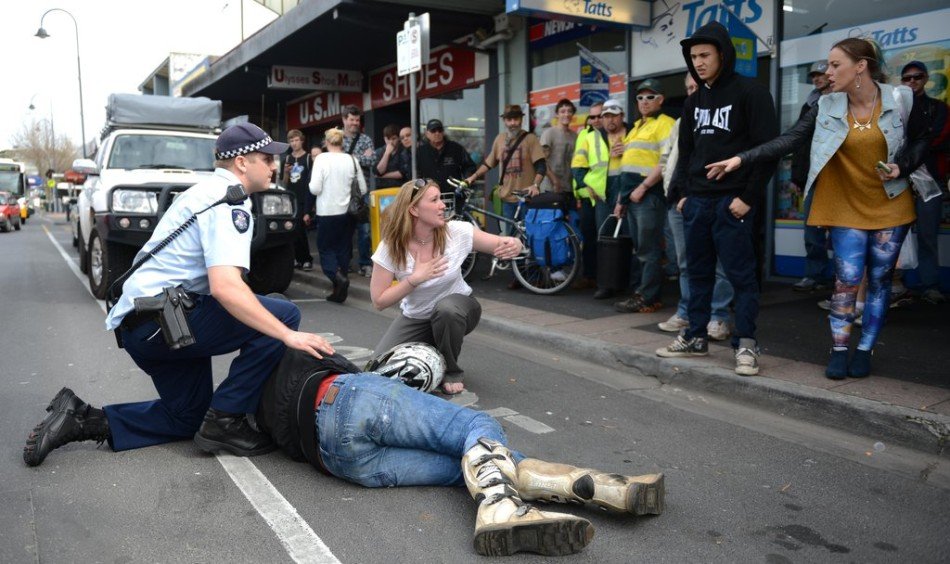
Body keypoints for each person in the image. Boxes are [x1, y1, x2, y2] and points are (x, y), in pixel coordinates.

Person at [23, 123, 337, 466]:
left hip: (147, 326)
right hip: (166, 322)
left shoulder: (199, 192)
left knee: (188, 418)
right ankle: (226, 420)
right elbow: (226, 287)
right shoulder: (229, 202)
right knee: (283, 315)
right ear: (243, 163)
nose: (276, 166)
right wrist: (287, 336)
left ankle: (81, 419)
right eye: (267, 158)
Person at [255, 343, 665, 557]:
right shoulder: (292, 347)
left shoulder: (257, 406)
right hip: (345, 396)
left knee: (467, 463)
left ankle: (605, 488)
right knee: (475, 426)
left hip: (337, 461)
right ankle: (507, 509)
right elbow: (363, 371)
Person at [705, 38, 934, 379]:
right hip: (844, 205)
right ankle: (840, 349)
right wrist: (742, 158)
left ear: (860, 66)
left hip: (890, 203)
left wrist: (902, 164)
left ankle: (865, 349)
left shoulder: (899, 98)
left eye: (834, 65)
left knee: (881, 280)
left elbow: (921, 138)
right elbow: (790, 139)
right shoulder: (826, 106)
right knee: (846, 281)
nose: (827, 72)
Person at [655, 21, 779, 377]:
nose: (699, 62)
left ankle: (746, 344)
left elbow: (766, 151)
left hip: (733, 202)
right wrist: (682, 195)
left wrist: (748, 197)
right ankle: (695, 337)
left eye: (705, 55)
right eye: (693, 57)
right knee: (696, 274)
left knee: (741, 276)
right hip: (698, 203)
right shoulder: (694, 103)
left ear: (723, 54)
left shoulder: (751, 94)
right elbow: (688, 154)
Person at [370, 179, 523, 395]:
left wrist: (515, 244)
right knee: (377, 371)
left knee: (447, 310)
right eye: (434, 200)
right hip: (417, 318)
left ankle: (451, 370)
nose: (443, 205)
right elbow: (379, 301)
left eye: (441, 198)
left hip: (459, 310)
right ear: (414, 209)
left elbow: (500, 243)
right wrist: (414, 279)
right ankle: (433, 345)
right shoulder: (391, 246)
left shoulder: (456, 231)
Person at [659, 73, 734, 341]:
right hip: (676, 200)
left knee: (719, 263)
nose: (692, 91)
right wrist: (672, 191)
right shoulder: (680, 122)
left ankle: (718, 317)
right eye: (688, 88)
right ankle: (687, 312)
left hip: (706, 199)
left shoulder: (720, 117)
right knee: (686, 263)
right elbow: (667, 159)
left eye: (696, 86)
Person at [612, 79, 677, 314]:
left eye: (650, 97)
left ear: (660, 100)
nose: (644, 101)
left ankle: (648, 298)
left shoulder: (666, 123)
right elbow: (627, 167)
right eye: (640, 97)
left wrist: (644, 187)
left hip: (648, 196)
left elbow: (666, 161)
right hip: (633, 197)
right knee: (641, 249)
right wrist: (622, 200)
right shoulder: (638, 126)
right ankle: (643, 294)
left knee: (648, 250)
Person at [464, 105, 546, 289]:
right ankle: (519, 276)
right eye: (509, 119)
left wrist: (535, 185)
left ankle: (534, 275)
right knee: (510, 238)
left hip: (526, 198)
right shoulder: (500, 139)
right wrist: (473, 177)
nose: (513, 122)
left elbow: (541, 165)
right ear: (504, 121)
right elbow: (489, 162)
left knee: (530, 238)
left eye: (516, 119)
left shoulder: (530, 139)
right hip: (507, 197)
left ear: (521, 120)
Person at [898, 60, 948, 305]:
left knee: (927, 236)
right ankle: (904, 285)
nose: (912, 82)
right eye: (907, 78)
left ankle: (930, 285)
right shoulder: (894, 108)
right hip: (900, 180)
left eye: (917, 77)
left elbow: (937, 140)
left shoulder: (939, 108)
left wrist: (912, 153)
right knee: (899, 235)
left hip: (930, 180)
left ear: (926, 78)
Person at [310, 128, 368, 304]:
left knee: (326, 249)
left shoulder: (321, 159)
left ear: (326, 142)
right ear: (343, 142)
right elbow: (363, 189)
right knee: (344, 249)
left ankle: (337, 278)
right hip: (348, 213)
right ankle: (339, 288)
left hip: (327, 211)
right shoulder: (351, 159)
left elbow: (315, 188)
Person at [791, 60, 834, 293]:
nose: (817, 79)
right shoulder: (809, 105)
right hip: (812, 177)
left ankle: (844, 280)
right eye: (814, 76)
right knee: (812, 229)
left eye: (821, 74)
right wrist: (798, 177)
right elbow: (799, 143)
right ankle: (815, 275)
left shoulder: (843, 99)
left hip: (837, 177)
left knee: (841, 232)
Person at [591, 98, 632, 300]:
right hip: (603, 193)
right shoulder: (595, 137)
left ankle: (629, 284)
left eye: (613, 115)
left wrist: (628, 151)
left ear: (622, 116)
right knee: (605, 239)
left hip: (628, 188)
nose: (609, 120)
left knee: (629, 238)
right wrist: (587, 185)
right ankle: (606, 284)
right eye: (606, 116)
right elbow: (580, 166)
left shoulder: (633, 132)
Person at [571, 101, 609, 290]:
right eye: (592, 117)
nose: (595, 120)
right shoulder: (585, 135)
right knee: (589, 236)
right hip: (588, 195)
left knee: (606, 239)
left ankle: (607, 278)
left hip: (607, 196)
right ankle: (590, 276)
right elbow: (577, 166)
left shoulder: (614, 134)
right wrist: (585, 188)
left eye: (599, 115)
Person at [341, 105, 375, 277]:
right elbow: (335, 162)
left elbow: (372, 160)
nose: (354, 123)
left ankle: (365, 264)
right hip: (341, 191)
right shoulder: (336, 138)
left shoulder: (365, 139)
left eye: (357, 120)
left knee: (365, 230)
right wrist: (360, 158)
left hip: (362, 192)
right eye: (351, 119)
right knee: (344, 229)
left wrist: (348, 158)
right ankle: (344, 264)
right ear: (344, 120)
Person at [282, 129, 314, 271]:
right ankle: (297, 259)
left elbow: (312, 180)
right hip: (290, 199)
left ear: (302, 141)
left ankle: (306, 258)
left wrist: (311, 206)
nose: (294, 143)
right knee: (292, 229)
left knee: (301, 229)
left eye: (296, 140)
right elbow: (284, 183)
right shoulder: (287, 159)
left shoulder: (308, 158)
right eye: (291, 141)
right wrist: (286, 172)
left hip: (304, 197)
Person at [417, 119, 476, 195]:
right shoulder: (420, 152)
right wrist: (421, 188)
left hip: (454, 195)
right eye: (433, 131)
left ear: (443, 132)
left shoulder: (456, 148)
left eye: (440, 130)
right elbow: (415, 173)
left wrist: (465, 182)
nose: (437, 133)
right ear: (427, 133)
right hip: (429, 195)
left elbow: (469, 167)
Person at [539, 99, 577, 194]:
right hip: (550, 189)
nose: (566, 114)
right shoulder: (549, 133)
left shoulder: (575, 136)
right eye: (562, 111)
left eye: (569, 111)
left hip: (569, 188)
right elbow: (541, 161)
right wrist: (555, 181)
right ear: (557, 114)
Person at [374, 123, 410, 189]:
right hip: (381, 188)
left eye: (393, 138)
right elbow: (379, 171)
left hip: (399, 187)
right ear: (384, 139)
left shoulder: (404, 151)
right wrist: (387, 153)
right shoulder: (379, 152)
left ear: (398, 139)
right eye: (388, 139)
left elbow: (402, 173)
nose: (390, 142)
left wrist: (382, 176)